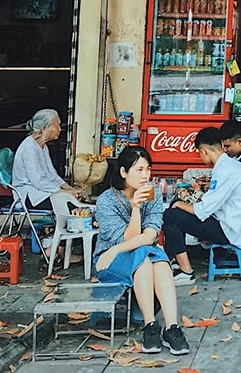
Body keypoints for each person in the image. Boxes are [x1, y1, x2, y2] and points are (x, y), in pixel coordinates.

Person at [94, 147, 190, 356]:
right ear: (123, 172)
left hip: (126, 252)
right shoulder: (106, 201)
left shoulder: (152, 194)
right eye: (139, 170)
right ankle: (150, 326)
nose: (145, 175)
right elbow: (129, 238)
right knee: (147, 257)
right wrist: (135, 208)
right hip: (108, 261)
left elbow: (149, 236)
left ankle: (172, 328)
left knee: (157, 259)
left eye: (148, 169)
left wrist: (116, 249)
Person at [163, 127, 241, 286]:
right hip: (236, 225)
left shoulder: (225, 171)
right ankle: (175, 261)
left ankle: (186, 272)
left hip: (230, 230)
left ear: (203, 151)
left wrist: (179, 204)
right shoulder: (232, 166)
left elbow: (202, 211)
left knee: (171, 216)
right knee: (177, 212)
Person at [12, 108, 83, 210]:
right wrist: (65, 192)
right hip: (30, 196)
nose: (59, 129)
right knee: (71, 205)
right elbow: (38, 181)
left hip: (43, 192)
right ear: (43, 128)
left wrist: (70, 189)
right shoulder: (29, 148)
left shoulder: (42, 146)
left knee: (79, 202)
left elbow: (52, 174)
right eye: (57, 125)